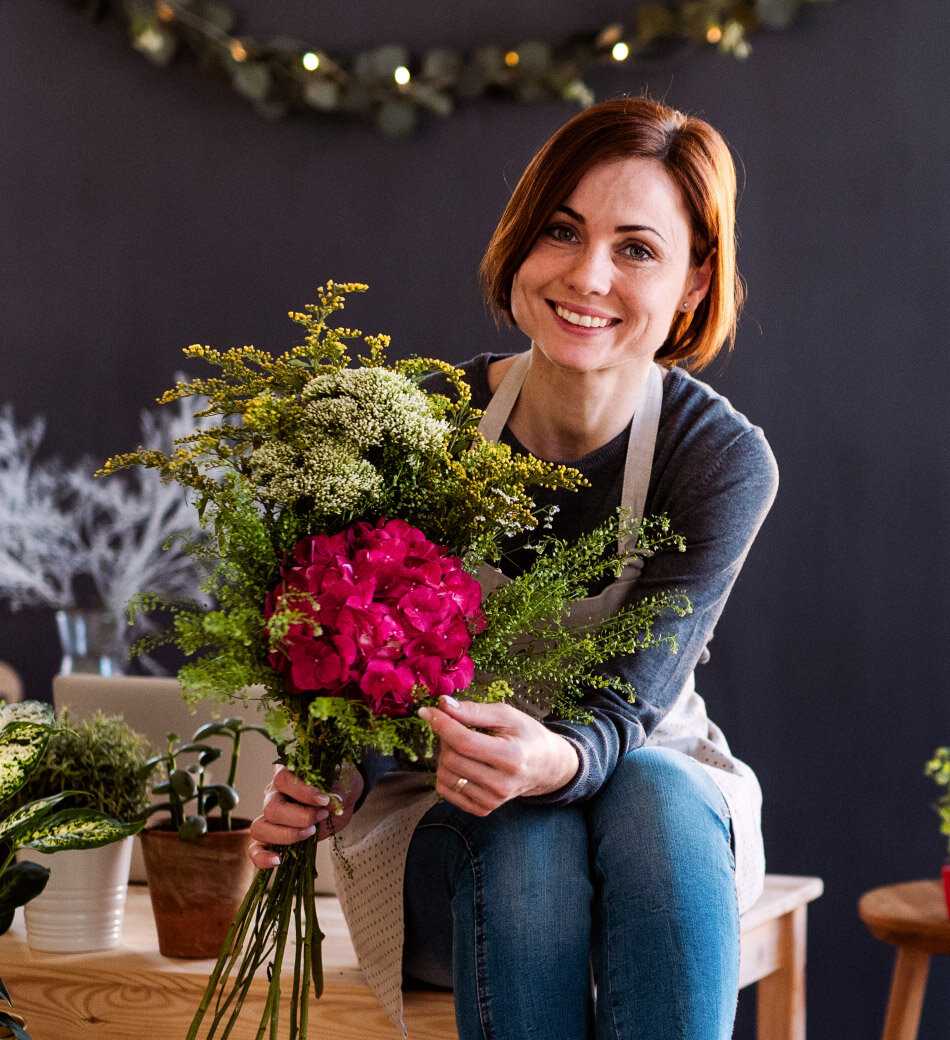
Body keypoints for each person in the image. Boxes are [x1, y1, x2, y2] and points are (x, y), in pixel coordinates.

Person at [249, 94, 779, 1040]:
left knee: (653, 790)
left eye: (637, 249)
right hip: (447, 814)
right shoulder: (416, 423)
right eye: (563, 232)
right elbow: (351, 679)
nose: (588, 276)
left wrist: (556, 756)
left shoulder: (718, 458)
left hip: (651, 813)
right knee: (523, 833)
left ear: (696, 282)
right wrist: (328, 769)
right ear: (522, 241)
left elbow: (633, 702)